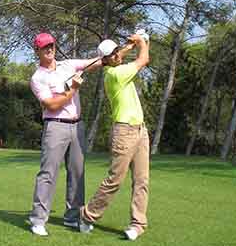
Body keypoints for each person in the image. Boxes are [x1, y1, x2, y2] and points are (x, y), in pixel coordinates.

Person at [28, 32, 103, 236]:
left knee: (77, 174)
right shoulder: (38, 77)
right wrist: (73, 90)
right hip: (55, 126)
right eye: (45, 47)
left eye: (51, 45)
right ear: (38, 51)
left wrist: (117, 52)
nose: (50, 49)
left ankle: (72, 218)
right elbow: (51, 105)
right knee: (48, 173)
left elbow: (94, 62)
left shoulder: (67, 65)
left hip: (77, 126)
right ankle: (38, 220)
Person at [79, 32, 150, 241]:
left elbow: (122, 53)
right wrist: (142, 41)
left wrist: (130, 44)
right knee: (115, 180)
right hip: (124, 132)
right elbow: (144, 59)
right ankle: (87, 215)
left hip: (140, 130)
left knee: (142, 181)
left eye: (117, 51)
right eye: (113, 54)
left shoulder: (118, 64)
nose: (117, 55)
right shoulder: (114, 75)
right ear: (106, 60)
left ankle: (138, 224)